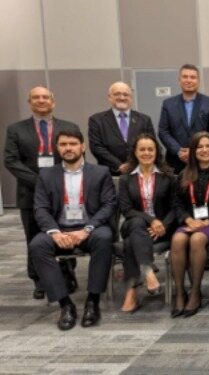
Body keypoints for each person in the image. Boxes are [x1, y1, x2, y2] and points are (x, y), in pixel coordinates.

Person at [29, 128, 116, 330]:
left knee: (104, 238)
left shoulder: (100, 172)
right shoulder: (46, 174)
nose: (68, 148)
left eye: (73, 144)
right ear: (57, 148)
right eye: (63, 144)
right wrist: (55, 232)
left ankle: (92, 301)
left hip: (90, 229)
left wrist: (87, 229)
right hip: (59, 229)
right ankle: (65, 304)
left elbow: (109, 205)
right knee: (37, 245)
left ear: (82, 146)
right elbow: (40, 208)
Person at [4, 86, 81, 299]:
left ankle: (67, 273)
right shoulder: (16, 129)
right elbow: (11, 160)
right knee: (34, 236)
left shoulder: (68, 127)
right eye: (36, 98)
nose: (41, 100)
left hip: (64, 193)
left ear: (53, 102)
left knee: (65, 231)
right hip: (30, 193)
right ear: (30, 102)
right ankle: (39, 280)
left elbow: (74, 156)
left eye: (45, 97)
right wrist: (40, 182)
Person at [169, 132, 209, 318]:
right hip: (191, 221)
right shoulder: (183, 174)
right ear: (193, 151)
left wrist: (207, 222)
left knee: (197, 239)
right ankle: (180, 292)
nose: (205, 150)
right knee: (178, 239)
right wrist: (188, 220)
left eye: (208, 146)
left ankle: (195, 292)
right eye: (200, 147)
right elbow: (177, 204)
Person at [118, 134, 177, 313]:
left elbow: (175, 208)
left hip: (162, 229)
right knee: (136, 222)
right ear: (135, 152)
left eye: (150, 149)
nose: (146, 153)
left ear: (156, 152)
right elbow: (127, 210)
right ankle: (147, 271)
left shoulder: (168, 176)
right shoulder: (126, 178)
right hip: (136, 224)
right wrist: (152, 220)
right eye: (142, 149)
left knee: (130, 244)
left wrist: (163, 225)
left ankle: (132, 292)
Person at [158, 64, 209, 173]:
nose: (189, 80)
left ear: (198, 81)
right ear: (179, 80)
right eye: (185, 77)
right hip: (175, 161)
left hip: (203, 160)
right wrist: (178, 151)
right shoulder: (168, 104)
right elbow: (163, 131)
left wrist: (195, 150)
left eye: (193, 77)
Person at [88, 81, 155, 176]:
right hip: (109, 173)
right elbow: (97, 147)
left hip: (139, 172)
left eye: (126, 94)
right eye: (117, 94)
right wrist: (119, 165)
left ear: (131, 98)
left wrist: (133, 165)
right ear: (109, 97)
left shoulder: (144, 120)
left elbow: (152, 145)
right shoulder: (97, 120)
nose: (122, 97)